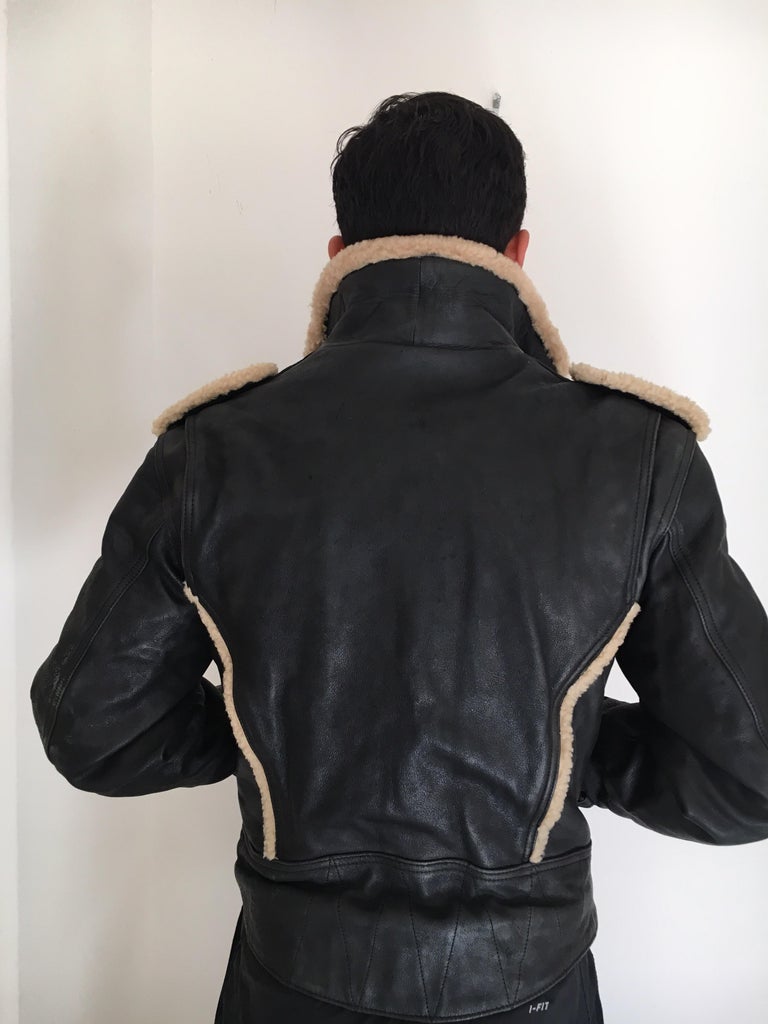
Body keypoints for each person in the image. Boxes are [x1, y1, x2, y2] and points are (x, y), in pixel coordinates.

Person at [30, 91, 768, 1024]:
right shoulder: (640, 454)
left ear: (339, 253)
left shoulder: (212, 448)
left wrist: (286, 734)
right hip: (532, 992)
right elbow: (750, 774)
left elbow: (92, 726)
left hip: (289, 987)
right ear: (518, 253)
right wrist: (558, 752)